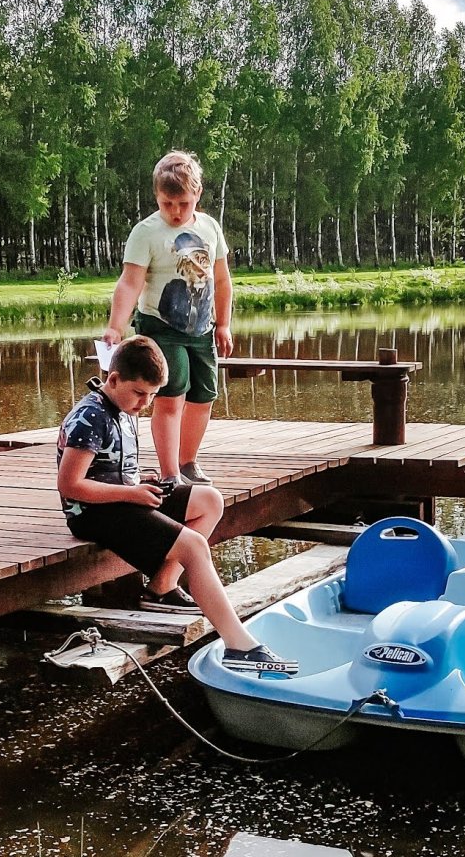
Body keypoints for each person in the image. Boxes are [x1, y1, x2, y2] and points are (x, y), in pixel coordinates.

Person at [55, 335, 298, 675]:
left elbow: (116, 469)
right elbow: (71, 486)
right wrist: (131, 493)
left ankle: (161, 587)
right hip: (92, 513)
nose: (145, 403)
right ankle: (240, 646)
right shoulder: (90, 417)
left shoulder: (123, 408)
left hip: (126, 499)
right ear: (113, 379)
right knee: (194, 545)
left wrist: (142, 484)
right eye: (140, 393)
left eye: (152, 396)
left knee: (209, 500)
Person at [103, 150, 231, 485]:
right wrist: (116, 326)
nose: (175, 212)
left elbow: (222, 280)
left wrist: (224, 324)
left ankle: (188, 462)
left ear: (197, 195)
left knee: (203, 396)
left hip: (202, 328)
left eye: (183, 204)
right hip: (162, 326)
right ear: (157, 197)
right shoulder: (146, 232)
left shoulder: (210, 228)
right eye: (167, 204)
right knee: (172, 394)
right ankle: (170, 472)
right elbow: (130, 282)